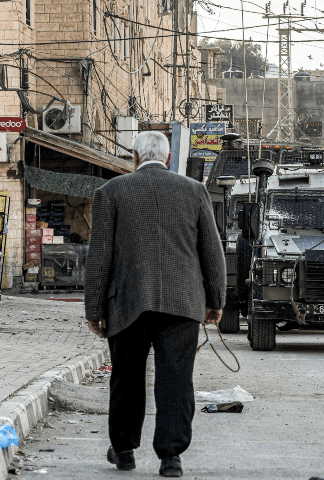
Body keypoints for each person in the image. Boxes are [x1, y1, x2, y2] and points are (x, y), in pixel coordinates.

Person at [85, 131, 226, 477]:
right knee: (176, 379)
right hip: (182, 303)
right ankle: (171, 457)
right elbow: (212, 252)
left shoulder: (110, 192)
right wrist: (216, 301)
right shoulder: (194, 191)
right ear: (168, 158)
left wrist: (94, 311)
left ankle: (123, 451)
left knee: (127, 378)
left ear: (134, 157)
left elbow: (99, 257)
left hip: (127, 303)